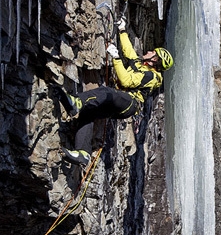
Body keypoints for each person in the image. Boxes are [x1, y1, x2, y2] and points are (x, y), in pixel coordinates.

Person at [58, 18, 174, 165]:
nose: (150, 51)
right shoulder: (142, 65)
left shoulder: (151, 76)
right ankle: (83, 153)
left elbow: (125, 80)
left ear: (155, 60)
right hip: (122, 102)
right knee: (89, 112)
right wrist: (122, 30)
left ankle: (77, 101)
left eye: (153, 52)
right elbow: (129, 51)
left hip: (130, 103)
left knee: (107, 93)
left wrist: (116, 58)